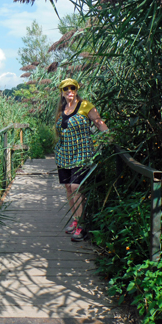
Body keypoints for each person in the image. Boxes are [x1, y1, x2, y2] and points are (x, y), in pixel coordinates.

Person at [54, 78, 109, 242]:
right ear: (62, 92)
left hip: (82, 154)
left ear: (76, 89)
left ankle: (82, 226)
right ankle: (76, 220)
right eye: (66, 89)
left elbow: (99, 124)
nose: (69, 91)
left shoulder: (85, 106)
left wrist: (109, 137)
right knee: (68, 188)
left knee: (76, 187)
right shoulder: (62, 109)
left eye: (72, 88)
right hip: (64, 155)